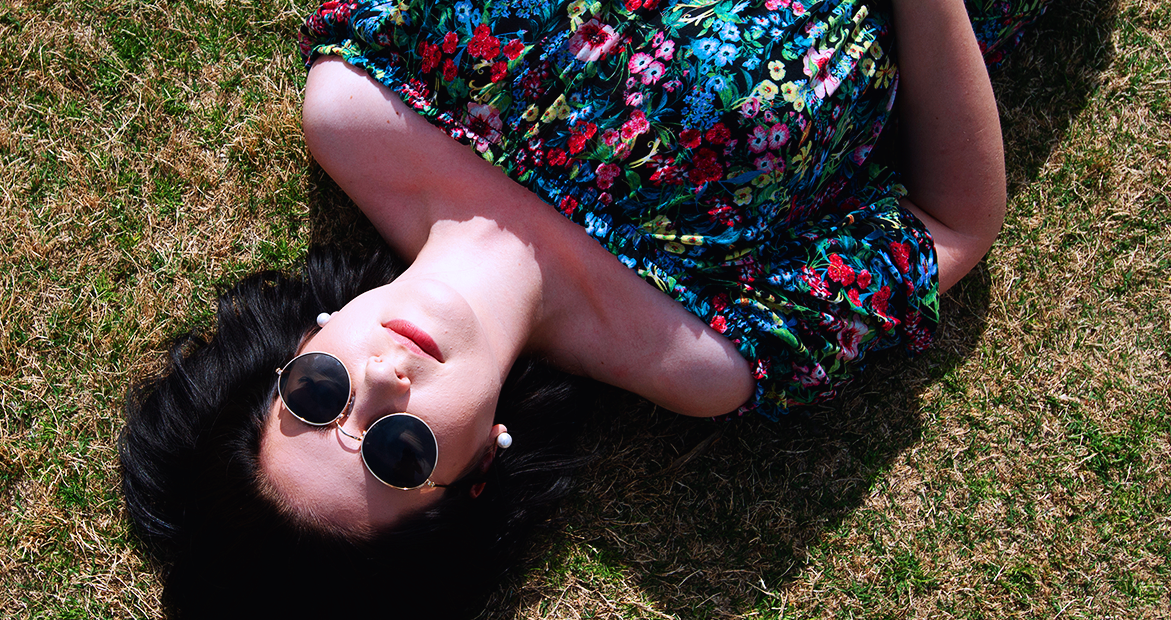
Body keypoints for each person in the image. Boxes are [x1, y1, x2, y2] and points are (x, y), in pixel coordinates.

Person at [121, 0, 1049, 617]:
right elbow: (950, 221)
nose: (378, 379)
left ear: (303, 345)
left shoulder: (358, 102)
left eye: (318, 397)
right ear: (479, 466)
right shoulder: (703, 355)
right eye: (397, 453)